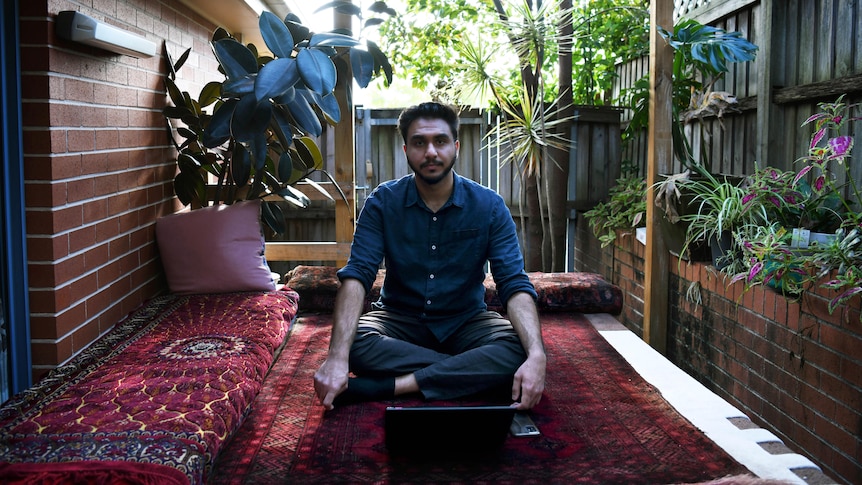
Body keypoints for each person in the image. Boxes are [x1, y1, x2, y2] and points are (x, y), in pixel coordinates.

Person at [313, 102, 545, 411]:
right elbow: (357, 275)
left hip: (467, 320)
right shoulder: (382, 202)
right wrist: (337, 358)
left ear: (456, 146)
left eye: (440, 141)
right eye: (420, 143)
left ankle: (394, 385)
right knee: (352, 344)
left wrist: (537, 356)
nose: (431, 152)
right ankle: (472, 373)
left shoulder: (489, 206)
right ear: (407, 149)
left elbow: (514, 283)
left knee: (520, 349)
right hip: (398, 319)